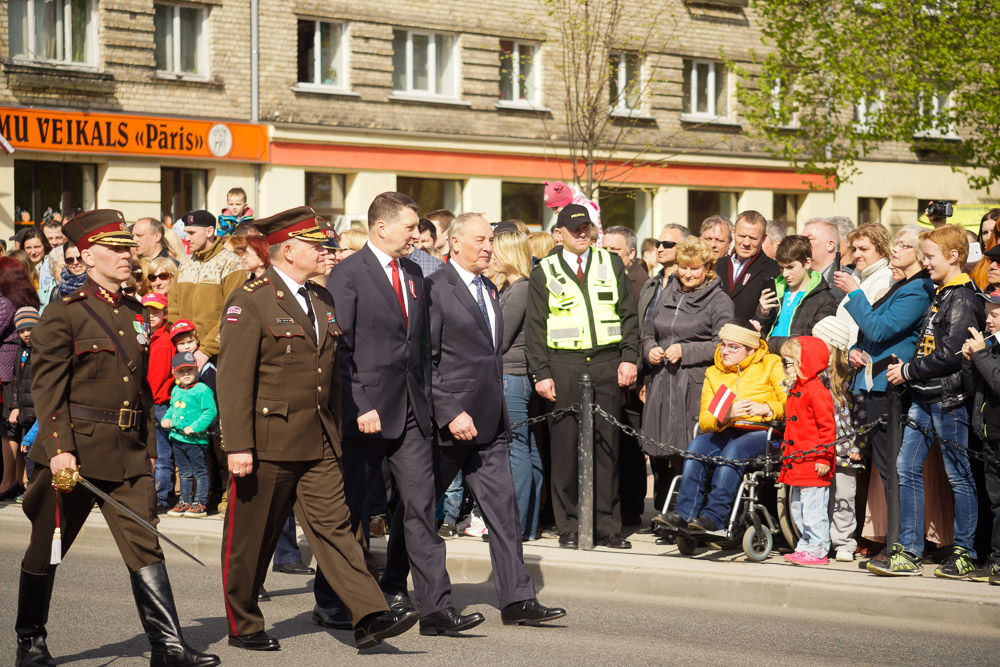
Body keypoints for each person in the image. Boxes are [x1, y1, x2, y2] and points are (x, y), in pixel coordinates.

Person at [15, 209, 219, 667]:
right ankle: (30, 642)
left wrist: (148, 449)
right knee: (46, 548)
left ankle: (168, 648)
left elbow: (140, 389)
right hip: (75, 454)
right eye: (116, 248)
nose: (127, 256)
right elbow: (47, 390)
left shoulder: (133, 311)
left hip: (126, 452)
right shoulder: (62, 314)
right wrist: (60, 448)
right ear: (87, 256)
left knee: (145, 545)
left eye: (129, 247)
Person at [218, 205, 419, 651]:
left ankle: (369, 614)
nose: (325, 251)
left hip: (319, 439)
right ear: (288, 251)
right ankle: (244, 622)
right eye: (315, 245)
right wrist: (237, 445)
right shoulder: (249, 300)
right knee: (253, 537)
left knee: (336, 528)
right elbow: (233, 382)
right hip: (266, 442)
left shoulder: (320, 299)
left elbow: (329, 375)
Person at [323, 192, 481, 634]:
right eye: (410, 227)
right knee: (349, 512)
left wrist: (440, 408)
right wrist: (359, 404)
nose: (417, 235)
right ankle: (330, 597)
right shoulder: (348, 274)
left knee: (420, 508)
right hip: (367, 416)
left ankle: (436, 608)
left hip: (412, 414)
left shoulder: (414, 274)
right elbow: (340, 351)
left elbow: (423, 351)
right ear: (382, 228)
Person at [425, 212, 566, 626]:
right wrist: (450, 412)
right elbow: (425, 362)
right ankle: (396, 587)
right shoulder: (434, 289)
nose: (489, 247)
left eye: (491, 240)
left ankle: (517, 600)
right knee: (416, 514)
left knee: (504, 515)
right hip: (449, 427)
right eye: (480, 240)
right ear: (454, 243)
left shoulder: (489, 287)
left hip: (490, 426)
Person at [871, 224, 985, 577]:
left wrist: (908, 371)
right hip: (924, 396)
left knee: (959, 476)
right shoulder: (942, 292)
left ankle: (965, 551)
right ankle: (908, 549)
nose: (925, 262)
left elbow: (951, 354)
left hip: (948, 399)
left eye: (930, 256)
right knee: (906, 469)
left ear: (954, 257)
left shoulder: (963, 295)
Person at [525, 203, 639, 549]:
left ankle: (606, 526)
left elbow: (629, 316)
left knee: (608, 448)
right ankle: (570, 525)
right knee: (564, 451)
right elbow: (535, 327)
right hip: (564, 366)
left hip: (606, 363)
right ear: (558, 233)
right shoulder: (544, 270)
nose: (581, 234)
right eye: (574, 229)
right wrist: (541, 374)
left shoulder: (611, 262)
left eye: (586, 228)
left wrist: (629, 358)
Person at [654, 320, 786, 535]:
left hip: (764, 432)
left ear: (751, 349)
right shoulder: (714, 373)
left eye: (734, 347)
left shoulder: (770, 364)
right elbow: (706, 420)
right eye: (723, 345)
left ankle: (715, 517)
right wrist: (727, 415)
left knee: (734, 451)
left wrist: (766, 407)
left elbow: (792, 403)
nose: (725, 351)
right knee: (696, 446)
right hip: (727, 429)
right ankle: (684, 513)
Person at [837, 225, 935, 498]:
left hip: (889, 384)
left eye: (903, 245)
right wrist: (854, 351)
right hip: (872, 380)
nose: (895, 249)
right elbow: (871, 331)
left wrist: (855, 293)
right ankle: (895, 534)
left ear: (918, 253)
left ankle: (902, 537)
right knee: (883, 467)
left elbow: (881, 330)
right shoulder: (902, 284)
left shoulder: (918, 289)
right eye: (896, 243)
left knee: (891, 468)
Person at [643, 237, 734, 524]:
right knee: (660, 451)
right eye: (683, 267)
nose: (688, 273)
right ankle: (665, 513)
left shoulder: (720, 300)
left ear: (708, 268)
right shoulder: (667, 291)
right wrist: (649, 350)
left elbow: (724, 346)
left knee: (689, 450)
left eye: (695, 268)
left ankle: (691, 515)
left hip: (695, 383)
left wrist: (686, 350)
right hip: (662, 380)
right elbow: (648, 331)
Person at [491, 228, 543, 540]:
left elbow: (501, 335)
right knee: (527, 448)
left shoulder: (521, 289)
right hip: (514, 375)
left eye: (496, 250)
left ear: (510, 255)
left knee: (517, 450)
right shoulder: (514, 287)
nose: (491, 255)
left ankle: (519, 525)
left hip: (512, 375)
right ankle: (528, 525)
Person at [779, 336, 836, 567]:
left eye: (788, 363)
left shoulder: (816, 390)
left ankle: (818, 548)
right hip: (797, 462)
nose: (784, 367)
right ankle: (805, 545)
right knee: (797, 508)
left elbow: (827, 427)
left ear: (805, 364)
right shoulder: (796, 388)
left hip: (813, 462)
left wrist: (824, 456)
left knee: (813, 509)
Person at [811, 316, 864, 562]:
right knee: (818, 496)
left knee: (843, 496)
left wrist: (858, 445)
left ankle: (844, 542)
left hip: (845, 449)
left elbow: (860, 415)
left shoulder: (850, 377)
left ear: (831, 345)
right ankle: (817, 540)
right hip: (819, 447)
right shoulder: (813, 375)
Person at [168, 210, 244, 363]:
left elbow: (233, 313)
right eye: (185, 233)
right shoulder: (185, 264)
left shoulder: (232, 263)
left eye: (191, 233)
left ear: (209, 231)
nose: (186, 238)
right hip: (184, 354)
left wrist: (207, 350)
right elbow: (173, 308)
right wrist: (181, 343)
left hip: (218, 355)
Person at [962, 288, 1000, 583]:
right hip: (989, 434)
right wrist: (969, 361)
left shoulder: (989, 349)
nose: (988, 320)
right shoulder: (990, 346)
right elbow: (975, 387)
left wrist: (982, 355)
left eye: (995, 315)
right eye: (988, 313)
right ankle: (995, 558)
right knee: (995, 502)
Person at [0, 256, 41, 500]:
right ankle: (18, 479)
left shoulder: (5, 301)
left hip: (9, 369)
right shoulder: (27, 297)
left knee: (8, 428)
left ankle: (8, 481)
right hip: (19, 366)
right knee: (17, 427)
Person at [756, 234, 838, 353]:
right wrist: (762, 315)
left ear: (807, 263)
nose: (785, 274)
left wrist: (770, 343)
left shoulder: (824, 299)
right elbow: (756, 335)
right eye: (781, 268)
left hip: (798, 367)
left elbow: (815, 344)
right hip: (767, 365)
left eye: (790, 267)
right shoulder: (775, 292)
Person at [161, 351, 217, 518]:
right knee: (184, 472)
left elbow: (210, 411)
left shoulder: (202, 390)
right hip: (177, 438)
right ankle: (185, 501)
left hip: (196, 440)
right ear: (174, 373)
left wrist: (195, 426)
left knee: (200, 472)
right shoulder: (176, 390)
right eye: (181, 371)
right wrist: (166, 418)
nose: (186, 374)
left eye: (190, 370)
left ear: (196, 370)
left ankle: (200, 502)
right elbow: (172, 408)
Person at [141, 292, 176, 512]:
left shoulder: (165, 340)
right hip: (145, 403)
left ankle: (162, 498)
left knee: (161, 455)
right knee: (148, 454)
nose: (151, 315)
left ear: (164, 313)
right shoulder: (141, 336)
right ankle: (151, 495)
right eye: (147, 311)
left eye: (156, 311)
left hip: (158, 404)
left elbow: (158, 375)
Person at [833, 223, 894, 348]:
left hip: (860, 356)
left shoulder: (886, 277)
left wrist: (851, 351)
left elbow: (868, 321)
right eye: (854, 249)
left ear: (882, 250)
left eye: (863, 249)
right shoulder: (859, 274)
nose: (856, 255)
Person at [714, 211, 780, 321]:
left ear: (763, 238)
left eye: (753, 238)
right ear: (733, 233)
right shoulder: (717, 265)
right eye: (742, 236)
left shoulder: (774, 270)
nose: (746, 243)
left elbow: (772, 315)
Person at [6, 306, 38, 501]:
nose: (26, 334)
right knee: (27, 453)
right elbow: (17, 381)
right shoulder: (22, 350)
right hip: (26, 412)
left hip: (40, 411)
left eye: (30, 329)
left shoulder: (43, 348)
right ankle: (32, 488)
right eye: (22, 330)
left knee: (37, 453)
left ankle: (36, 489)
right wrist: (15, 407)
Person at [801, 218, 846, 301]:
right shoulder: (796, 277)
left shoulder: (845, 281)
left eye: (809, 239)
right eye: (800, 239)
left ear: (830, 245)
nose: (801, 244)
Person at [602, 226, 648, 300]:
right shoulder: (600, 271)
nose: (606, 254)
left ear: (631, 253)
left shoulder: (642, 284)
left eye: (614, 249)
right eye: (604, 249)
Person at [21, 227, 50, 293]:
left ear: (45, 246)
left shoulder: (51, 266)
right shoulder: (19, 267)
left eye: (37, 247)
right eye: (28, 248)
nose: (33, 252)